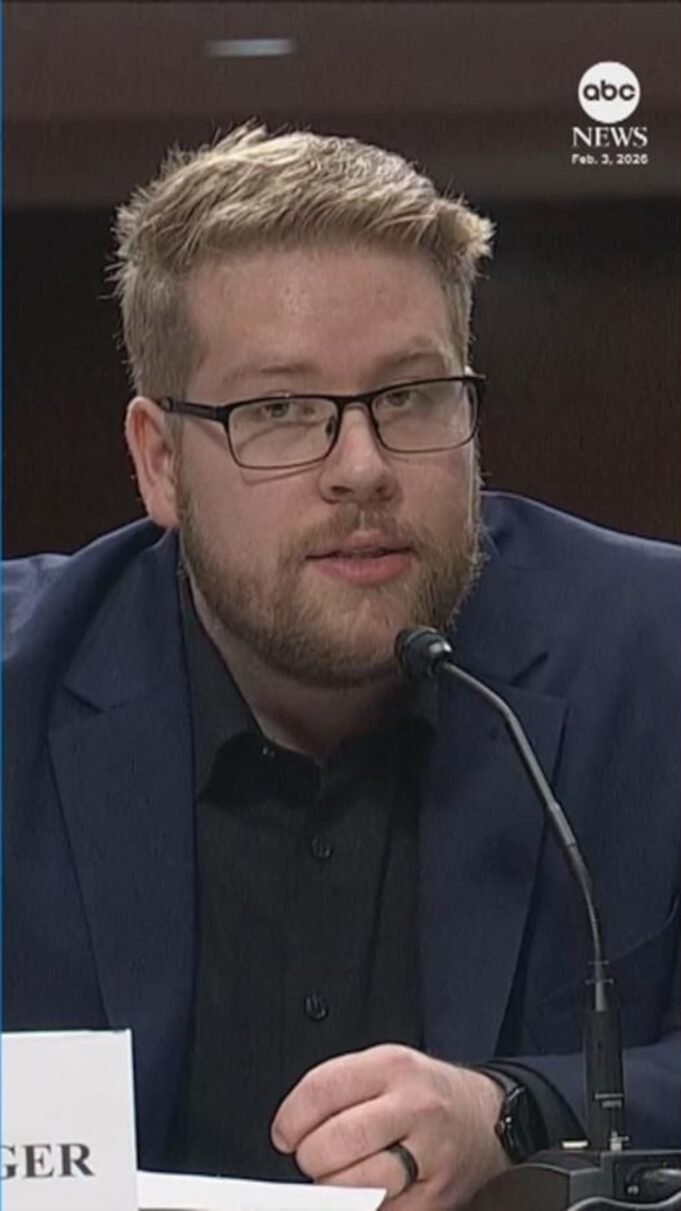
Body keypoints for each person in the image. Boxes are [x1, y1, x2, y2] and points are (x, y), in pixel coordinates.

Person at [4, 122, 679, 1210]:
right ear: (160, 462)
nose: (361, 468)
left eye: (409, 395)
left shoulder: (654, 657)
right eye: (280, 410)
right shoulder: (21, 684)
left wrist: (515, 1110)